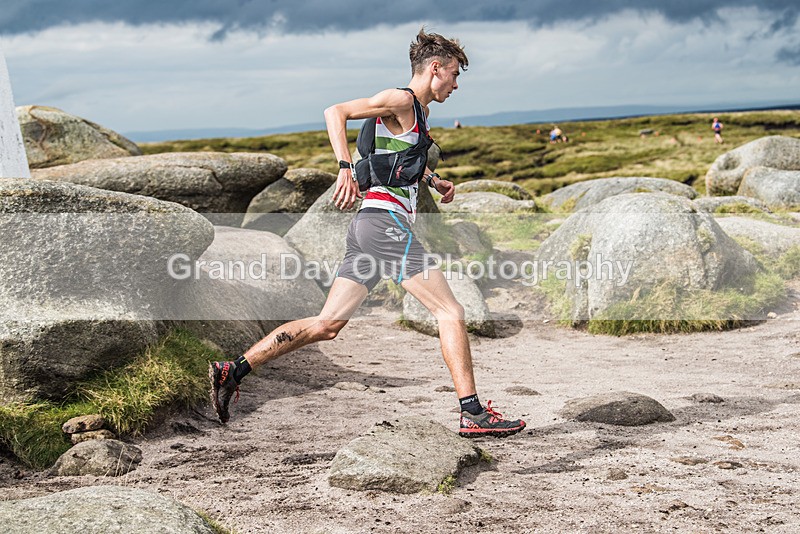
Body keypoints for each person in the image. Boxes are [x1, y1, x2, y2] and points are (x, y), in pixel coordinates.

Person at [209, 29, 526, 438]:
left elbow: (390, 161)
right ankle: (472, 413)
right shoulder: (401, 99)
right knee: (451, 311)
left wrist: (433, 179)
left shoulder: (418, 114)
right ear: (435, 68)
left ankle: (232, 370)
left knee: (327, 325)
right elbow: (334, 111)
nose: (456, 84)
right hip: (384, 225)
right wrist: (343, 167)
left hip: (368, 228)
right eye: (454, 74)